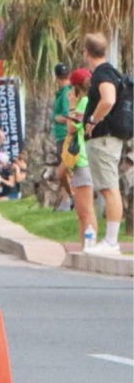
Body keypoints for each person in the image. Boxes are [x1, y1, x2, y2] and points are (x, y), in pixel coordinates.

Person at [82, 33, 127, 254]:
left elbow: (108, 99)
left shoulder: (102, 73)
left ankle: (111, 242)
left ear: (86, 52)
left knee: (109, 189)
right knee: (108, 188)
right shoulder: (110, 71)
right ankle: (110, 240)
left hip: (104, 139)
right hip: (108, 139)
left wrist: (92, 120)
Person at [66, 69, 98, 250]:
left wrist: (71, 105)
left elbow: (72, 127)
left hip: (83, 161)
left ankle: (90, 245)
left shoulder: (84, 102)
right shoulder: (91, 101)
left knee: (85, 209)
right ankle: (85, 244)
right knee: (83, 210)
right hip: (84, 160)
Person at [51, 63, 74, 211]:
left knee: (64, 169)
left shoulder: (66, 93)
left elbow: (68, 115)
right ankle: (66, 198)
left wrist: (56, 118)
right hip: (60, 135)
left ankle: (69, 198)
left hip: (65, 134)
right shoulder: (63, 92)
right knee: (64, 169)